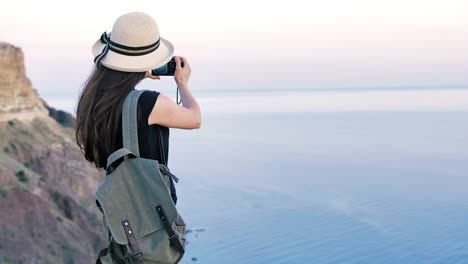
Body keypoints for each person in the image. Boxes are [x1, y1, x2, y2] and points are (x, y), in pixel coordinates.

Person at [75, 12, 201, 204]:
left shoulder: (95, 98)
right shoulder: (148, 103)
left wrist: (137, 73)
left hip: (121, 208)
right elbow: (194, 118)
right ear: (149, 60)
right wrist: (182, 83)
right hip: (151, 210)